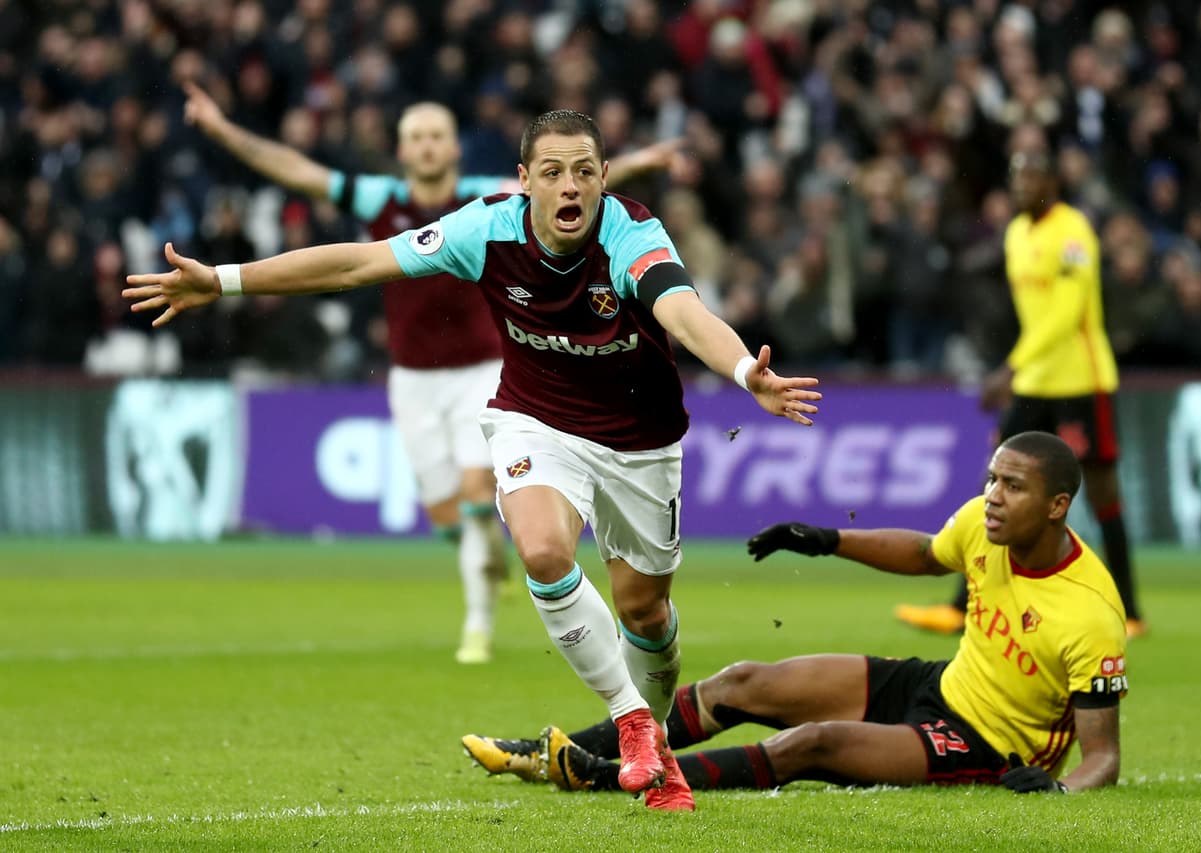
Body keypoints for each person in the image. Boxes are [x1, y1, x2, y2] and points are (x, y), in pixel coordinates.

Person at [123, 109, 822, 811]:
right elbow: (358, 262)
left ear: (604, 177)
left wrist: (744, 372)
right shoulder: (485, 228)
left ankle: (658, 741)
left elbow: (683, 313)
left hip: (640, 442)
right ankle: (631, 719)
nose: (570, 186)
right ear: (525, 181)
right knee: (543, 552)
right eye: (552, 172)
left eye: (584, 171)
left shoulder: (632, 234)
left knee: (645, 612)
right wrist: (224, 280)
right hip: (536, 420)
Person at [182, 83, 687, 664]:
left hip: (486, 371)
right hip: (413, 379)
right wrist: (222, 131)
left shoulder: (487, 200)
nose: (426, 147)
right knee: (448, 516)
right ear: (402, 151)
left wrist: (637, 163)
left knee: (475, 495)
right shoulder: (380, 199)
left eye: (436, 137)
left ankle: (478, 625)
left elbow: (568, 182)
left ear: (453, 149)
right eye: (416, 138)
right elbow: (300, 173)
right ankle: (488, 551)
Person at [463, 431, 1126, 796]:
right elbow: (928, 554)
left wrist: (1060, 791)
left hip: (984, 743)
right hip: (940, 684)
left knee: (812, 743)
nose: (993, 496)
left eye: (1013, 486)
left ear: (1057, 505)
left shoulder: (1089, 612)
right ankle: (561, 750)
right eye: (992, 478)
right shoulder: (985, 524)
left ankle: (602, 779)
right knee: (744, 682)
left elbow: (1103, 757)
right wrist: (829, 539)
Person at [895, 148, 1146, 640]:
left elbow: (1066, 314)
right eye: (1016, 176)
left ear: (1052, 181)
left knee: (1102, 494)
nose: (1023, 185)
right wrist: (1018, 366)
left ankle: (1129, 609)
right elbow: (1030, 315)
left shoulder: (1073, 232)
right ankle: (962, 604)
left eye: (1032, 176)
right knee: (995, 485)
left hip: (1080, 380)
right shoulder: (1015, 233)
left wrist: (1009, 367)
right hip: (1034, 382)